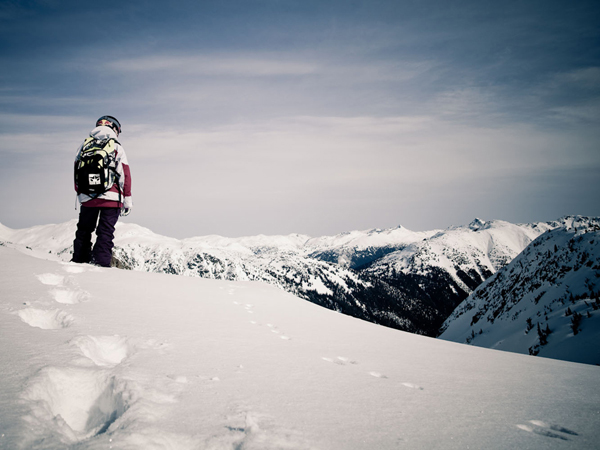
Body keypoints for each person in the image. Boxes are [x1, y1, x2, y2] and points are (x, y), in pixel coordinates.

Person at [71, 115, 132, 267]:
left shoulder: (84, 146)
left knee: (84, 230)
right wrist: (127, 199)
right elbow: (125, 174)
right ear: (115, 129)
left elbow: (76, 172)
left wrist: (80, 193)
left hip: (87, 197)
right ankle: (101, 264)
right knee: (105, 232)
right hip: (112, 198)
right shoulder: (116, 146)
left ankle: (79, 260)